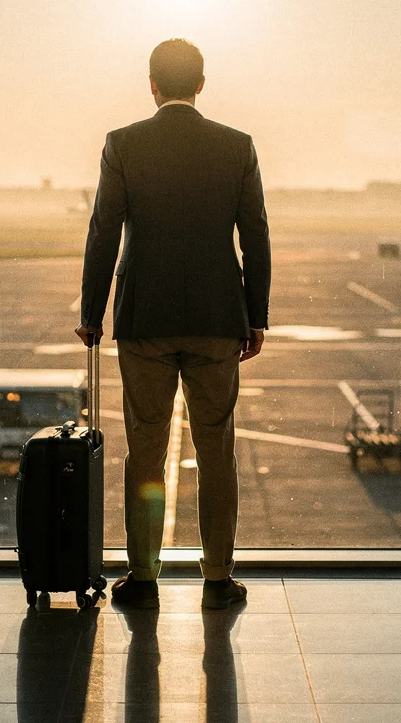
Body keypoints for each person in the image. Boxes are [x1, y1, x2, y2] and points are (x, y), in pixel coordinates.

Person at [76, 38, 270, 610]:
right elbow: (254, 234)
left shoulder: (123, 144)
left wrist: (92, 312)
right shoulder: (237, 146)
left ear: (152, 84)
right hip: (216, 319)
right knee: (217, 454)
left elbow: (103, 231)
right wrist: (254, 316)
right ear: (202, 84)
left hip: (145, 320)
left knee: (145, 450)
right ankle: (218, 577)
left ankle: (143, 576)